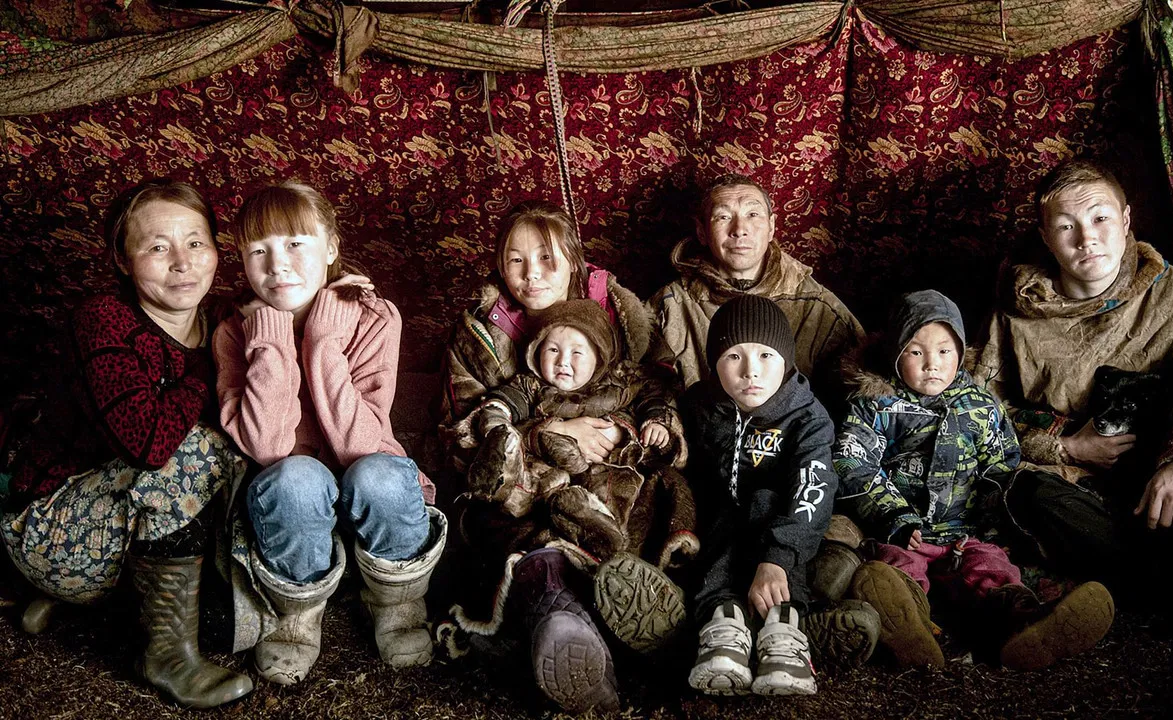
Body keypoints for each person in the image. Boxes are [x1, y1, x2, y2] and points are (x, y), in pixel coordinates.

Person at [0, 179, 252, 708]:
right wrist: (209, 363)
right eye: (158, 247)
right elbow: (149, 445)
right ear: (122, 259)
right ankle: (165, 657)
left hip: (130, 529)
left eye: (196, 242)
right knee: (200, 450)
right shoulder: (103, 320)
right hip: (55, 526)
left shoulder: (225, 320)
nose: (182, 262)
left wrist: (338, 290)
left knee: (229, 621)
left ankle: (86, 607)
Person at [439, 200, 679, 714]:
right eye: (516, 260)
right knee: (515, 522)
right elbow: (463, 435)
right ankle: (562, 620)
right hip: (520, 485)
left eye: (547, 258)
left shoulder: (619, 314)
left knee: (647, 504)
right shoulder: (479, 332)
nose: (532, 275)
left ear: (573, 260)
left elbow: (657, 389)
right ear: (499, 265)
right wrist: (546, 433)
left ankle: (608, 617)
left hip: (612, 470)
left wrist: (625, 432)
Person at [972, 159, 1173, 595]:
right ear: (1046, 237)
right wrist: (1065, 445)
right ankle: (1162, 584)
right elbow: (978, 408)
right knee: (1027, 494)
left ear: (1125, 220)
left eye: (1100, 218)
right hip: (1070, 485)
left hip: (1161, 474)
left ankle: (1168, 574)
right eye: (1066, 226)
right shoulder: (1014, 314)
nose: (1086, 238)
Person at [214, 182, 445, 686]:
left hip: (372, 497)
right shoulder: (234, 331)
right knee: (294, 475)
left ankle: (398, 606)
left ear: (332, 248)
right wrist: (271, 340)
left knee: (380, 474)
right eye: (258, 250)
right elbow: (267, 447)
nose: (278, 264)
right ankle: (296, 614)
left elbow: (360, 443)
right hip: (291, 522)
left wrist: (323, 341)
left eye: (296, 243)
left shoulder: (374, 316)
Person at [836, 290, 1114, 671]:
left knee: (991, 566)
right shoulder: (875, 406)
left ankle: (1024, 621)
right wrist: (894, 517)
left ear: (961, 352)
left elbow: (1001, 464)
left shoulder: (980, 405)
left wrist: (996, 512)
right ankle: (908, 627)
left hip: (966, 533)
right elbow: (852, 462)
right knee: (894, 568)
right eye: (916, 352)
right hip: (904, 531)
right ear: (895, 354)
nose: (931, 364)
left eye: (944, 351)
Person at [449, 299, 697, 649]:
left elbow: (653, 393)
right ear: (536, 353)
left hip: (615, 475)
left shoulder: (621, 382)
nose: (563, 361)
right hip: (554, 480)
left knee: (666, 487)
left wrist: (654, 422)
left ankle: (642, 586)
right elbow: (502, 402)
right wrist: (498, 421)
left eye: (577, 352)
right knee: (537, 496)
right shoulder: (531, 386)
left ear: (600, 356)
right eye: (552, 349)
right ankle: (507, 475)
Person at [681, 295, 838, 696]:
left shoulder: (808, 417)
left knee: (765, 502)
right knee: (725, 517)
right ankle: (724, 625)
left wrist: (777, 559)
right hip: (717, 534)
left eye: (766, 355)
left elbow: (813, 489)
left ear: (787, 360)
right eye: (733, 356)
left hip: (785, 534)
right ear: (714, 364)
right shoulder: (701, 406)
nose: (750, 371)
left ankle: (784, 631)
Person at [650, 173, 864, 407]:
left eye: (752, 214)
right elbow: (640, 386)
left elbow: (865, 398)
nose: (739, 229)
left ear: (771, 227)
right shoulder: (671, 305)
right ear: (702, 231)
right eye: (723, 217)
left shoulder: (819, 307)